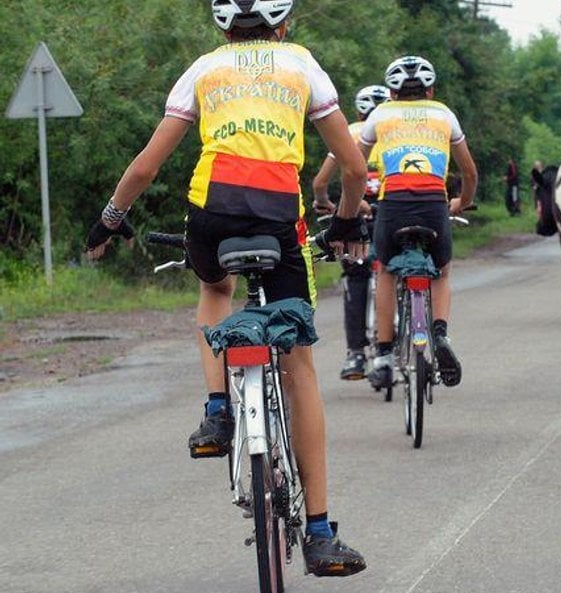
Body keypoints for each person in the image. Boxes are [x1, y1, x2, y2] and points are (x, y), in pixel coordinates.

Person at [84, 0, 367, 577]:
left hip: (210, 213)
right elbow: (355, 166)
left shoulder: (204, 69)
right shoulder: (301, 64)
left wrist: (111, 219)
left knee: (216, 291)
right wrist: (341, 223)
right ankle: (318, 532)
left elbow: (144, 168)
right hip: (277, 217)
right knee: (299, 363)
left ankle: (217, 410)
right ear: (283, 24)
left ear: (222, 26)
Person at [358, 55, 478, 389]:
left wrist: (352, 205)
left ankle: (382, 354)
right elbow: (469, 172)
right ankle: (439, 334)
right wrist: (462, 202)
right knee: (441, 270)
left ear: (392, 93)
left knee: (383, 269)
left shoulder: (380, 114)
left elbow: (354, 164)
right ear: (430, 90)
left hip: (392, 203)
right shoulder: (444, 114)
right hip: (433, 205)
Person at [312, 84, 390, 380]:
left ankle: (356, 354)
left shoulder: (350, 132)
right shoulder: (396, 129)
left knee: (356, 277)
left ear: (358, 110)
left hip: (355, 214)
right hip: (391, 212)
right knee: (392, 270)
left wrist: (327, 205)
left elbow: (320, 183)